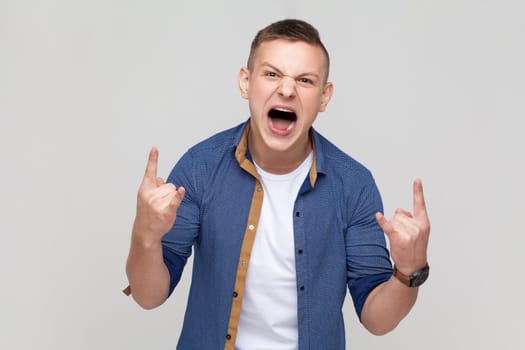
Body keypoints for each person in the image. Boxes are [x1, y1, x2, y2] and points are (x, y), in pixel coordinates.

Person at [124, 19, 430, 349]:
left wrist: (408, 272)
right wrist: (145, 234)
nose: (287, 89)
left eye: (305, 80)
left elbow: (377, 319)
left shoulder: (354, 185)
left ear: (325, 97)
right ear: (245, 82)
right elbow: (148, 295)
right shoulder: (200, 168)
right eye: (272, 74)